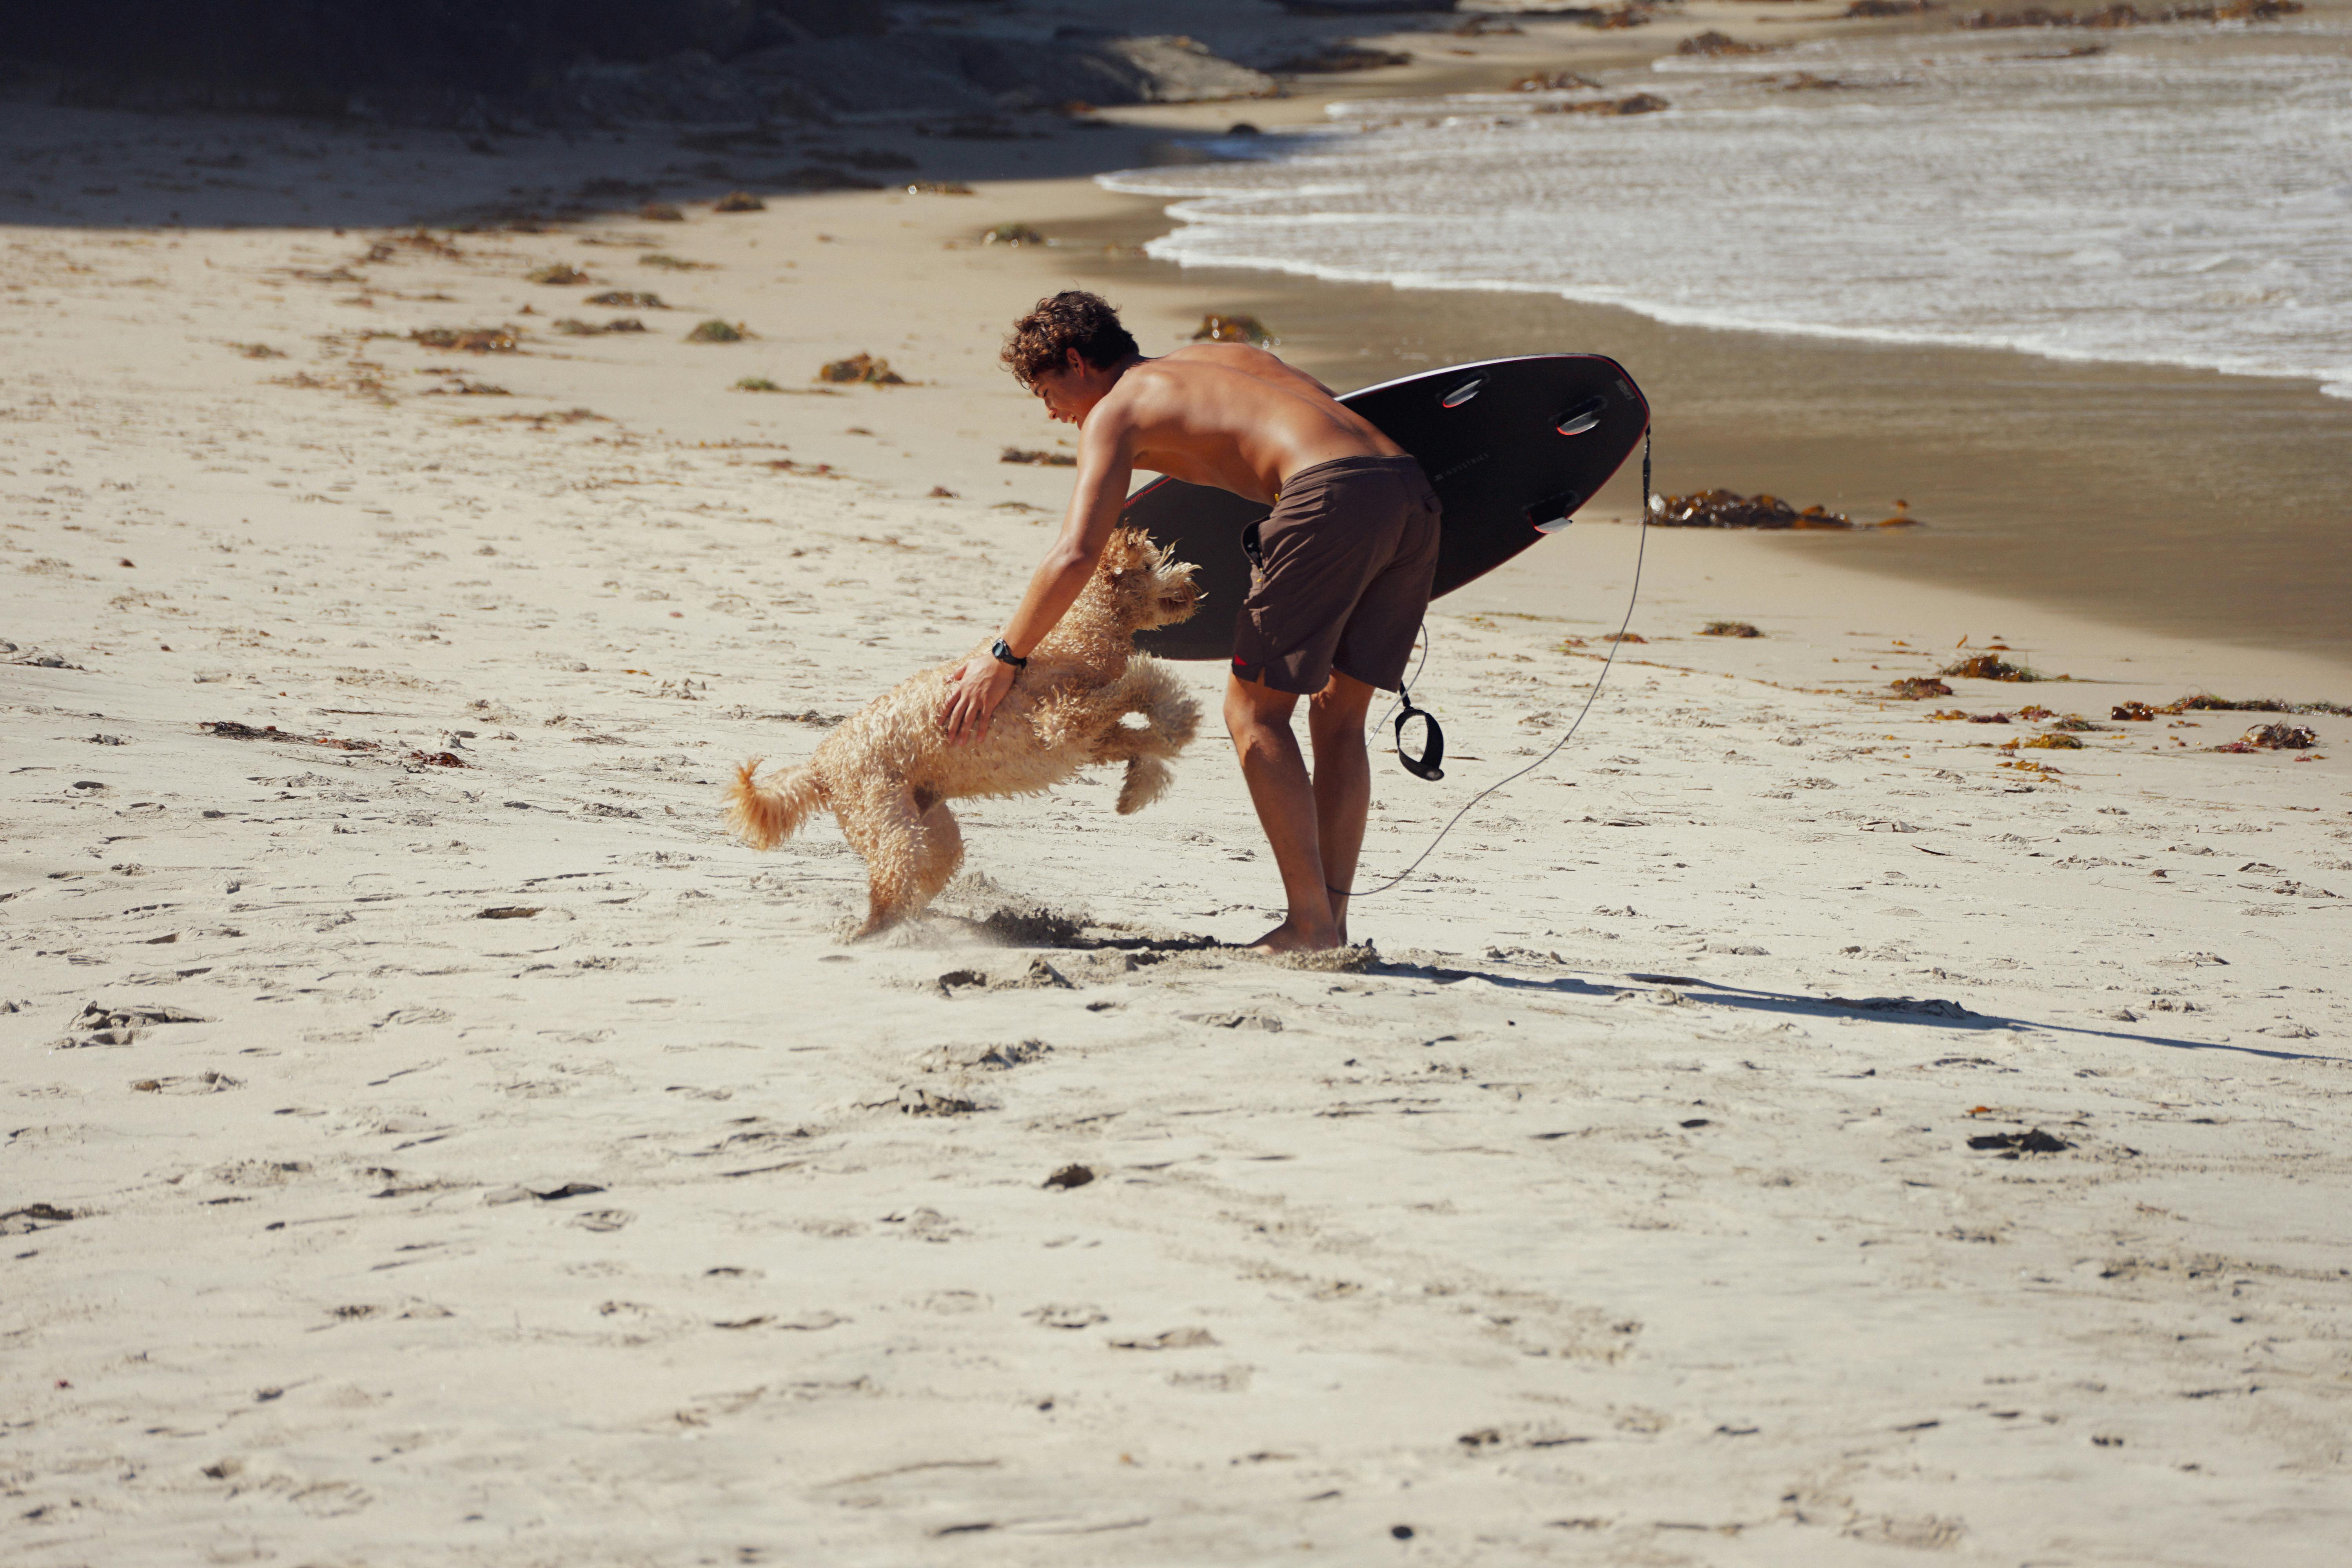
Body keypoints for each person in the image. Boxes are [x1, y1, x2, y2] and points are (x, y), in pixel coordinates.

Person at [938, 290, 1440, 953]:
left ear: (1076, 360)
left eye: (1048, 393)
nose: (1055, 413)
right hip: (1411, 492)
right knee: (1337, 715)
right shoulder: (1220, 358)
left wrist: (1003, 658)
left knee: (1254, 714)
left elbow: (1077, 552)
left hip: (1326, 499)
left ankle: (1312, 927)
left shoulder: (1115, 411)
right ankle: (1329, 924)